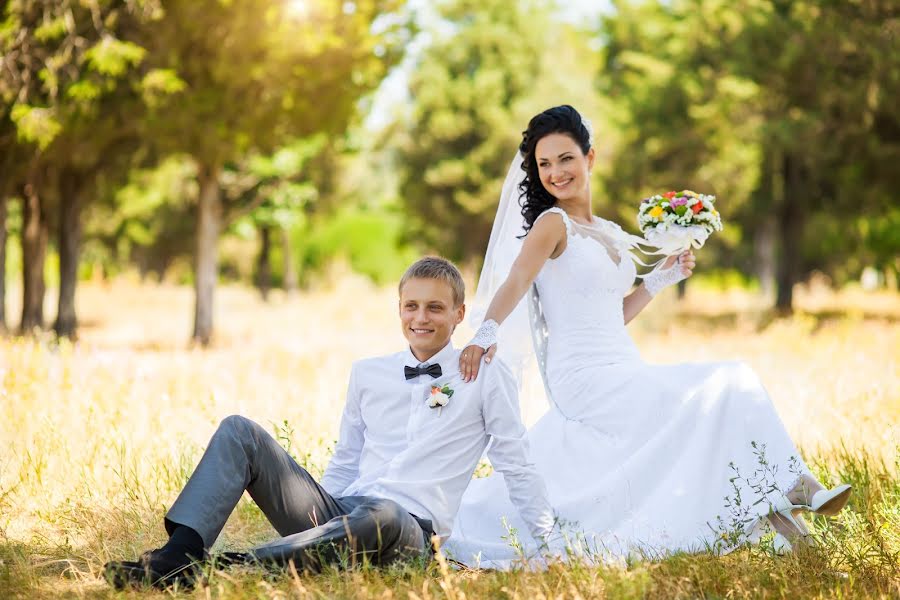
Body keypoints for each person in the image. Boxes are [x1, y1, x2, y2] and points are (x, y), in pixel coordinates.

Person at [444, 105, 851, 567]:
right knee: (729, 381)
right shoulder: (551, 224)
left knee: (719, 403)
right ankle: (795, 486)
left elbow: (610, 316)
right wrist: (487, 332)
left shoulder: (610, 233)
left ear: (590, 158)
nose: (555, 172)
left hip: (623, 366)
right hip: (583, 377)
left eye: (565, 159)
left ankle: (779, 517)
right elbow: (516, 279)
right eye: (544, 164)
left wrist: (658, 280)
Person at [104, 256, 554, 589]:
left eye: (435, 308)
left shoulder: (483, 374)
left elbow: (515, 460)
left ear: (459, 314)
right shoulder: (368, 372)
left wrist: (545, 541)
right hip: (344, 513)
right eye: (411, 306)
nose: (421, 318)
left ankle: (236, 565)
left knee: (384, 513)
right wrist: (317, 519)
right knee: (239, 430)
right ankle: (178, 557)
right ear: (399, 309)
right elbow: (347, 457)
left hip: (409, 531)